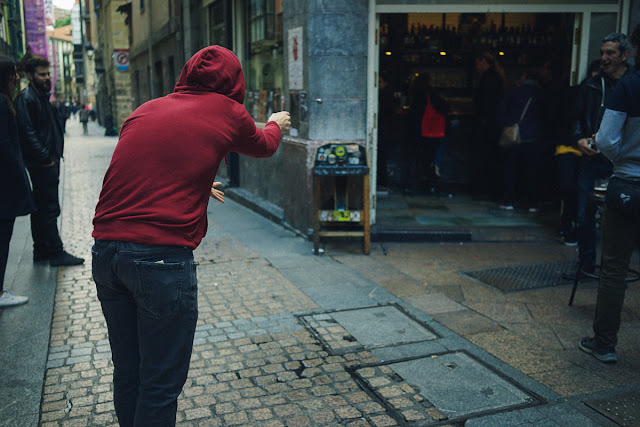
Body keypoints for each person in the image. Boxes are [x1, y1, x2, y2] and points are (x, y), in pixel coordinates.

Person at [91, 46, 290, 426]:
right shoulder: (228, 110)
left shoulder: (144, 110)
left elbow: (146, 166)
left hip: (107, 254)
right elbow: (264, 146)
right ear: (235, 82)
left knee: (128, 371)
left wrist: (196, 183)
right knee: (160, 383)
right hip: (159, 262)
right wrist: (276, 122)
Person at [579, 25, 640, 364]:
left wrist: (623, 159)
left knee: (615, 266)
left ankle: (604, 343)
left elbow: (604, 140)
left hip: (628, 183)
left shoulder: (629, 86)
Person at [571, 33, 632, 275]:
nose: (604, 58)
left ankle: (614, 268)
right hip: (593, 159)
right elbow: (575, 117)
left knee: (620, 216)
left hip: (622, 162)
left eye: (610, 53)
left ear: (625, 55)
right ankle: (586, 264)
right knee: (584, 213)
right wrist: (579, 138)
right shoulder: (592, 85)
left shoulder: (633, 85)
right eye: (602, 53)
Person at [15, 56, 84, 267]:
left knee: (41, 208)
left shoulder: (40, 96)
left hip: (47, 160)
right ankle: (55, 252)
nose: (46, 78)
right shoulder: (27, 98)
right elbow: (27, 133)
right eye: (41, 74)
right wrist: (46, 159)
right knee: (50, 207)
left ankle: (41, 250)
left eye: (47, 74)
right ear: (30, 76)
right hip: (43, 163)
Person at [0, 56, 34, 308]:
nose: (16, 77)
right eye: (12, 73)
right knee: (2, 239)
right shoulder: (2, 104)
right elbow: (6, 147)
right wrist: (21, 180)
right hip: (5, 188)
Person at [555, 60, 601, 246]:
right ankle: (569, 222)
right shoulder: (575, 92)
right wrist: (576, 137)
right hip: (568, 146)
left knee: (582, 191)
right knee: (568, 187)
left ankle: (575, 228)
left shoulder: (607, 95)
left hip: (591, 150)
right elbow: (565, 118)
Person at [497, 71, 546, 211]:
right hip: (533, 137)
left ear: (523, 76)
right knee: (531, 171)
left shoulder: (513, 91)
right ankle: (532, 203)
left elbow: (501, 112)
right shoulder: (541, 93)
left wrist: (505, 126)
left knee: (510, 170)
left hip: (513, 136)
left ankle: (508, 201)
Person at [472, 52, 505, 199]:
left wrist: (483, 118)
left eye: (478, 63)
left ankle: (485, 190)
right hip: (494, 123)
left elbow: (487, 102)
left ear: (485, 61)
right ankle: (491, 189)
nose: (477, 67)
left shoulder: (489, 78)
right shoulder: (496, 77)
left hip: (488, 124)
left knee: (485, 157)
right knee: (491, 157)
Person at [409, 73, 449, 191]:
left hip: (418, 130)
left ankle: (423, 181)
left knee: (421, 157)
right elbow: (444, 107)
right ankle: (430, 182)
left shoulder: (415, 93)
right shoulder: (431, 93)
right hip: (430, 131)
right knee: (431, 156)